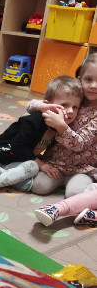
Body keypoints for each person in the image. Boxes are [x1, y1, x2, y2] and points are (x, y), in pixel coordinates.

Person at [0, 75, 83, 199]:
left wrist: (40, 164)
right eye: (64, 105)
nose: (70, 111)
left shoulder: (63, 130)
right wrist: (42, 165)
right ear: (46, 106)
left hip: (15, 163)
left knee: (33, 167)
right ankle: (10, 178)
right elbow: (18, 147)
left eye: (75, 107)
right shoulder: (33, 120)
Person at [27, 53, 97, 198]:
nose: (93, 86)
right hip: (54, 162)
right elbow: (30, 106)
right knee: (38, 187)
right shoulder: (72, 97)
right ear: (79, 79)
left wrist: (61, 126)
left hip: (82, 168)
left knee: (74, 193)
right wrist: (43, 106)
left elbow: (80, 144)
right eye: (88, 79)